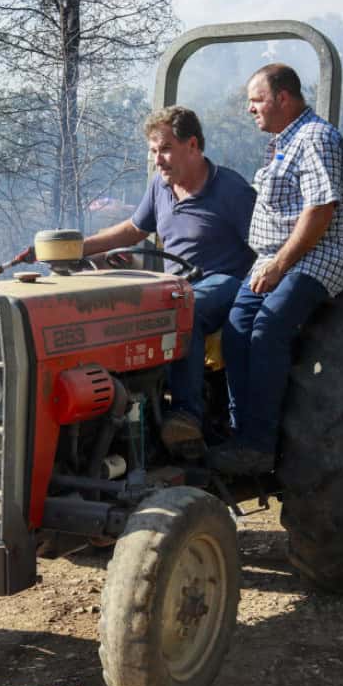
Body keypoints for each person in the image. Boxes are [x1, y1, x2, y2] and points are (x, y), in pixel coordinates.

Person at [206, 64, 343, 475]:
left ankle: (261, 444)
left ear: (284, 98)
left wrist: (279, 264)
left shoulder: (316, 138)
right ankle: (241, 432)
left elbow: (320, 210)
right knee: (236, 329)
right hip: (275, 257)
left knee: (268, 327)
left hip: (321, 253)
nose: (250, 108)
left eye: (256, 100)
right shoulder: (284, 141)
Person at [82, 105, 257, 457]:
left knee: (184, 306)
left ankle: (186, 415)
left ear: (192, 145)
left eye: (164, 149)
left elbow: (265, 246)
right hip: (174, 284)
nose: (157, 160)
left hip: (226, 281)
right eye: (153, 151)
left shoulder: (231, 189)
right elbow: (133, 229)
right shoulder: (160, 188)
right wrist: (80, 247)